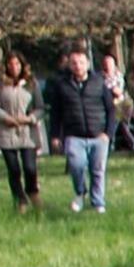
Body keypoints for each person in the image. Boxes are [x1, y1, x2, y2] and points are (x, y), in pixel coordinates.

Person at [43, 41, 119, 215]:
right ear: (69, 64)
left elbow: (110, 110)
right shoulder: (62, 86)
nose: (78, 66)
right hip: (74, 135)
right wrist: (55, 135)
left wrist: (108, 133)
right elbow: (56, 113)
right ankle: (79, 192)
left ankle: (98, 201)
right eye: (74, 63)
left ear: (88, 63)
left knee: (97, 170)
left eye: (81, 62)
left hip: (98, 135)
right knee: (76, 166)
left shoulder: (99, 82)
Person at [0, 54, 47, 215]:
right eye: (11, 64)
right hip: (6, 131)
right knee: (13, 169)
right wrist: (4, 117)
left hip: (27, 131)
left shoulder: (31, 82)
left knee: (29, 167)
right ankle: (19, 199)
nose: (14, 67)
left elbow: (40, 107)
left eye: (17, 64)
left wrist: (30, 118)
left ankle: (32, 191)